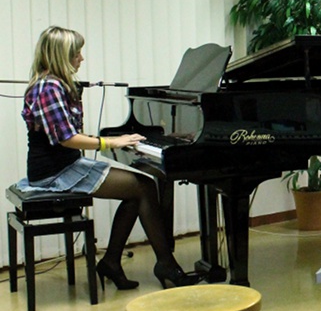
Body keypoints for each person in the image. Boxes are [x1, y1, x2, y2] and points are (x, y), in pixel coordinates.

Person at [18, 26, 199, 290]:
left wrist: (118, 139)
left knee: (138, 190)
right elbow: (67, 138)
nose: (81, 58)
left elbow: (66, 134)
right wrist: (111, 141)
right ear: (61, 55)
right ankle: (164, 265)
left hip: (64, 165)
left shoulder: (53, 84)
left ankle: (113, 262)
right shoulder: (49, 87)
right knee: (143, 187)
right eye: (76, 53)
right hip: (54, 173)